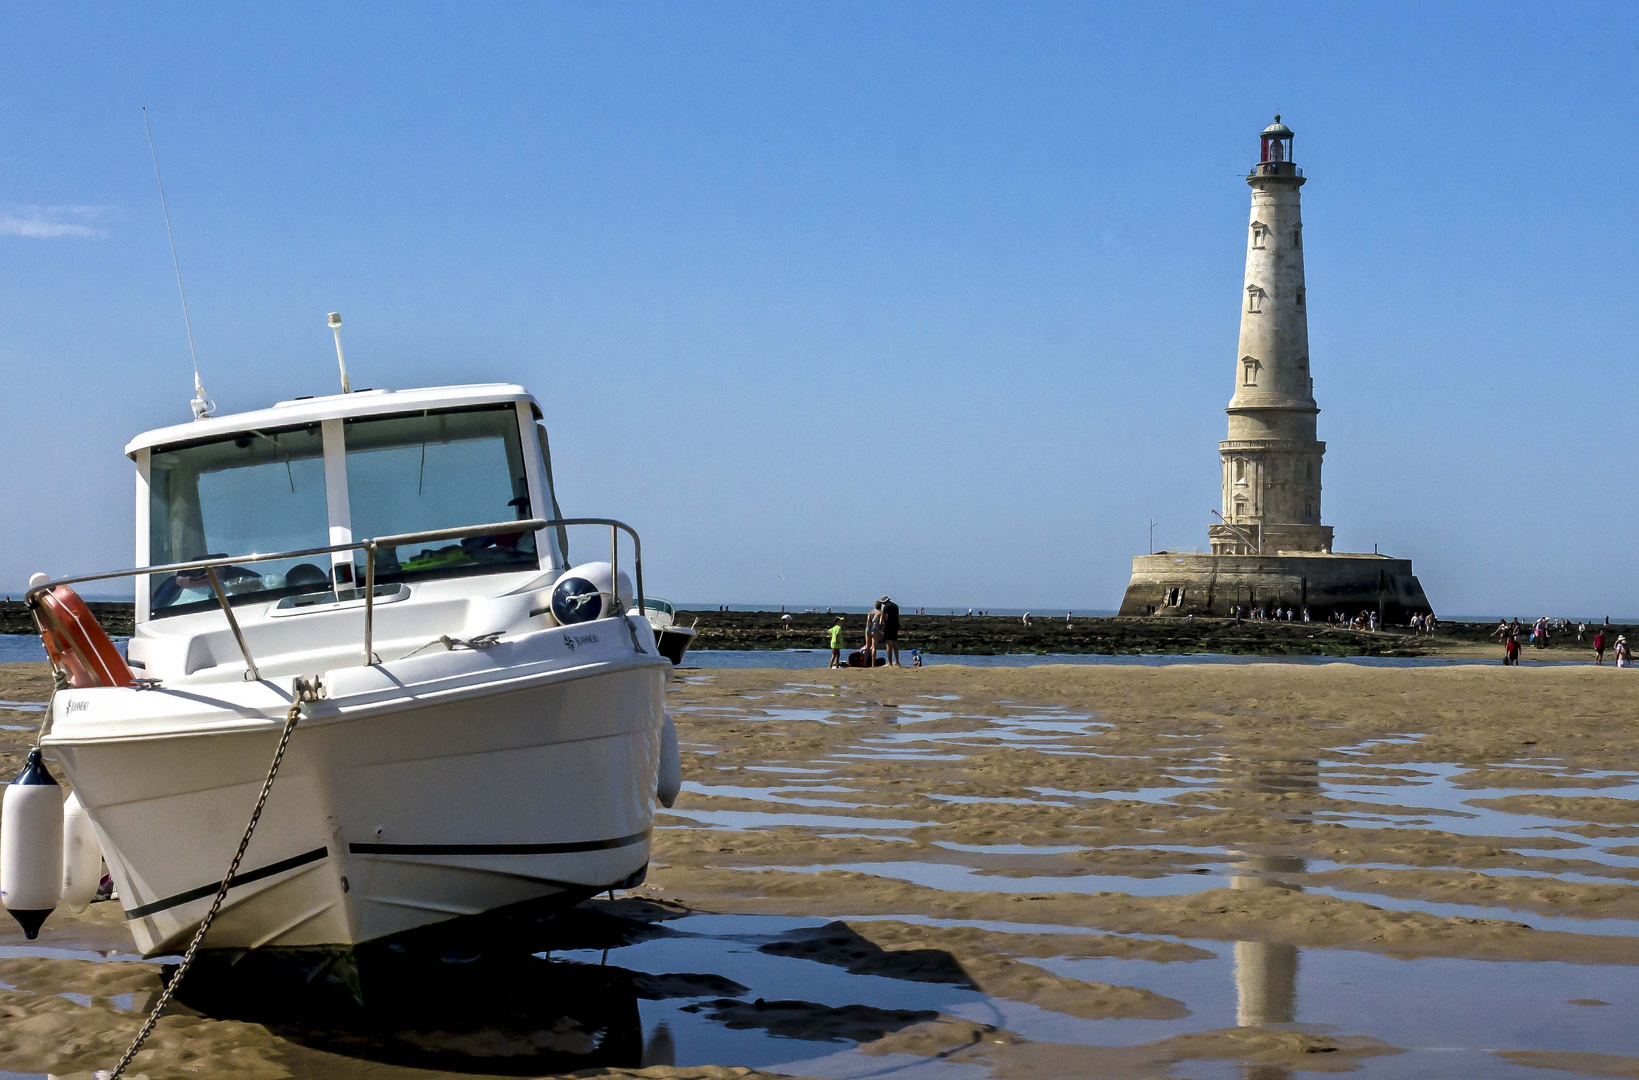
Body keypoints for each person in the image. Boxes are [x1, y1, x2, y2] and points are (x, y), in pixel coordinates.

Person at [880, 595, 901, 667]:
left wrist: (881, 624)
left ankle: (890, 662)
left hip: (889, 626)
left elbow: (885, 617)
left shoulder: (886, 607)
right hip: (896, 625)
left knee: (888, 644)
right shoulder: (895, 606)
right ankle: (897, 661)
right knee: (894, 643)